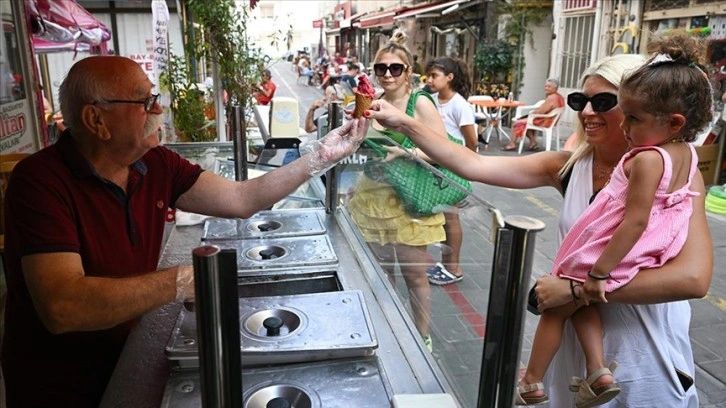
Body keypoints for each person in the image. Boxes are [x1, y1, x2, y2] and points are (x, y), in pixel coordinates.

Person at [0, 55, 368, 408]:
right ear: (96, 119)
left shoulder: (153, 163)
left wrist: (320, 157)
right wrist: (180, 281)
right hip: (62, 385)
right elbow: (63, 305)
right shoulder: (39, 182)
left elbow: (241, 198)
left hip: (128, 354)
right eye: (144, 102)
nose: (158, 110)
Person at [364, 52, 712, 407]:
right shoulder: (570, 167)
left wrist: (575, 290)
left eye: (604, 101)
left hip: (645, 349)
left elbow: (693, 279)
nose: (588, 112)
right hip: (578, 348)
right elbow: (473, 163)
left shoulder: (678, 175)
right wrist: (403, 122)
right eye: (580, 101)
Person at [516, 32, 712, 407]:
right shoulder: (685, 155)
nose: (621, 125)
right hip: (643, 262)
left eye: (628, 115)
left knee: (558, 307)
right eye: (581, 101)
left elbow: (637, 224)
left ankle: (532, 379)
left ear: (672, 122)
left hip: (644, 339)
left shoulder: (646, 160)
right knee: (577, 305)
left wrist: (595, 277)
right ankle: (596, 369)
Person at [348, 30, 449, 352]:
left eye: (395, 68)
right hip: (371, 198)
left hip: (409, 203)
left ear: (409, 72)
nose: (388, 74)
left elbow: (444, 149)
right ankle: (390, 328)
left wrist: (408, 152)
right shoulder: (372, 101)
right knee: (381, 273)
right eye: (381, 68)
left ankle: (422, 337)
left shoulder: (420, 102)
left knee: (415, 276)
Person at [423, 57, 477, 285]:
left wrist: (464, 168)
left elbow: (471, 141)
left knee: (450, 218)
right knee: (442, 218)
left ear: (450, 77)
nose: (430, 80)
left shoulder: (460, 105)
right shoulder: (430, 100)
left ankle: (453, 268)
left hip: (451, 169)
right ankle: (446, 263)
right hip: (434, 167)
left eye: (435, 75)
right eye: (429, 75)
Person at [503, 78, 565, 151]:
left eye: (549, 87)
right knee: (526, 121)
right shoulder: (559, 97)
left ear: (555, 88)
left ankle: (512, 144)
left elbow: (541, 112)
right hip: (551, 120)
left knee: (517, 122)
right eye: (545, 86)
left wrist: (531, 113)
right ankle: (533, 142)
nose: (546, 88)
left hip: (546, 121)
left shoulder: (551, 98)